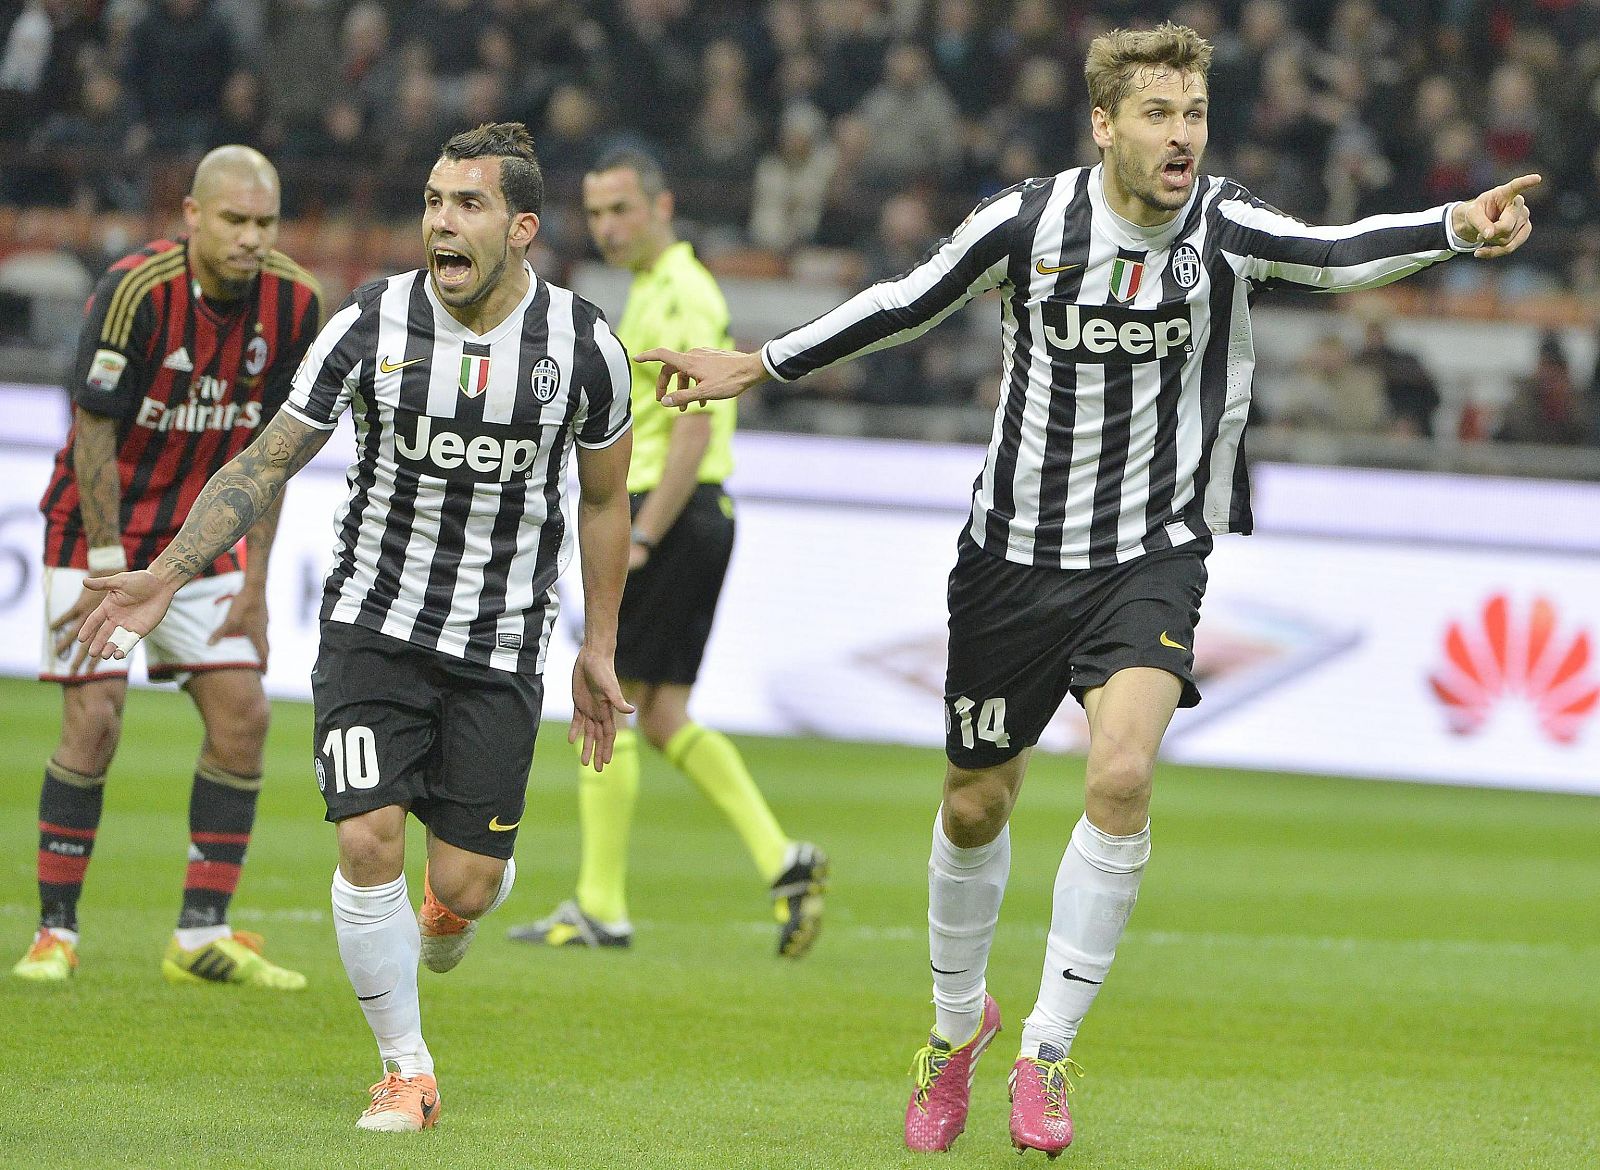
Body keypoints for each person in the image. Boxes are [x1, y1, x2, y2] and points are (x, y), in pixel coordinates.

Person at [640, 23, 1536, 1158]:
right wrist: (758, 365)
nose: (1181, 138)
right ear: (1103, 124)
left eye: (1194, 115)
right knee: (975, 805)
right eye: (1158, 116)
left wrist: (1455, 227)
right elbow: (904, 301)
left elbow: (1333, 249)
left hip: (1151, 553)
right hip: (1010, 554)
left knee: (1118, 776)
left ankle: (1047, 1052)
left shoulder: (1221, 223)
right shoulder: (1029, 222)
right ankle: (954, 1030)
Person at [72, 122, 636, 1134]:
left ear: (521, 228)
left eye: (466, 205)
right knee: (367, 838)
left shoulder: (586, 348)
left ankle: (449, 908)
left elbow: (603, 502)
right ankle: (404, 1070)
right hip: (370, 624)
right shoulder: (367, 323)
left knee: (464, 883)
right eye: (430, 202)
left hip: (500, 643)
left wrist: (597, 648)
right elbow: (264, 461)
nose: (440, 223)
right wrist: (166, 570)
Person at [16, 145, 322, 990]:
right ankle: (55, 933)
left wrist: (257, 585)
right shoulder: (136, 294)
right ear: (192, 215)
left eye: (265, 222)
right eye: (235, 220)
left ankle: (200, 936)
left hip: (202, 538)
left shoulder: (297, 302)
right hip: (95, 530)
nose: (253, 238)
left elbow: (276, 456)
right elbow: (94, 432)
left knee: (245, 717)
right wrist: (108, 564)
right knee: (95, 721)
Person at [509, 149, 827, 957]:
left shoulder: (683, 289)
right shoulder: (659, 287)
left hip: (666, 513)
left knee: (605, 697)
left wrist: (644, 533)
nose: (608, 226)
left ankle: (602, 903)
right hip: (697, 517)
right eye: (598, 211)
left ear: (661, 205)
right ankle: (781, 859)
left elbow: (694, 424)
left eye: (622, 209)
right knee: (660, 715)